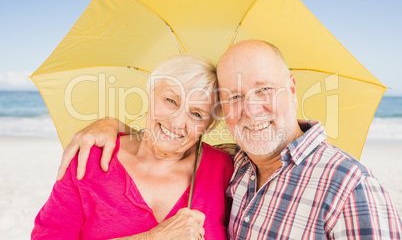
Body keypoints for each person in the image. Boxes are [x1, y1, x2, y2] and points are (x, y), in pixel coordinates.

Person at [57, 40, 402, 239]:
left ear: (292, 89)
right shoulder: (238, 166)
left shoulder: (351, 187)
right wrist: (110, 125)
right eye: (234, 97)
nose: (251, 110)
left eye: (264, 89)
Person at [32, 54, 234, 240]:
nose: (177, 122)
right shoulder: (91, 158)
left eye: (197, 114)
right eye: (171, 100)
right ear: (150, 93)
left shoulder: (223, 168)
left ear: (211, 124)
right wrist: (152, 237)